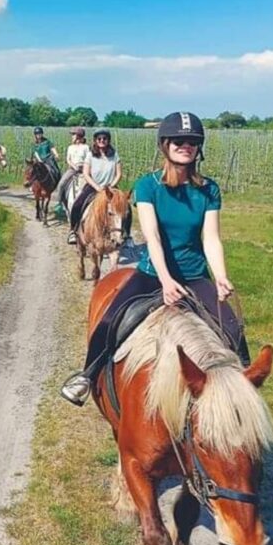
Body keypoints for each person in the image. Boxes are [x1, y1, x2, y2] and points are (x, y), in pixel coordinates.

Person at [61, 111, 249, 406]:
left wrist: (221, 276)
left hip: (195, 276)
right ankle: (87, 375)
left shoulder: (208, 189)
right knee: (110, 322)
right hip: (151, 274)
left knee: (234, 330)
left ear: (199, 147)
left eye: (191, 141)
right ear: (165, 144)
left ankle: (242, 392)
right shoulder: (149, 186)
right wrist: (165, 280)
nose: (185, 145)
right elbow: (153, 237)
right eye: (178, 140)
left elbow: (211, 238)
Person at [67, 130, 122, 244]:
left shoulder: (114, 155)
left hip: (111, 188)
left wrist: (111, 185)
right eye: (99, 139)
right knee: (77, 204)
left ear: (108, 140)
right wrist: (97, 187)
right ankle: (73, 230)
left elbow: (119, 174)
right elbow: (86, 174)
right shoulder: (90, 155)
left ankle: (126, 234)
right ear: (95, 141)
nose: (102, 141)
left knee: (124, 207)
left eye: (104, 139)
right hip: (93, 186)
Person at [57, 128, 90, 229]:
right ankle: (59, 203)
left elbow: (88, 159)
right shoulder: (70, 147)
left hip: (83, 169)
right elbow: (68, 159)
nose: (72, 136)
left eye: (73, 134)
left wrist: (84, 167)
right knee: (61, 183)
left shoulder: (86, 147)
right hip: (72, 169)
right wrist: (73, 166)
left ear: (79, 136)